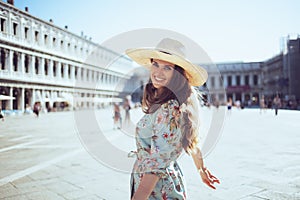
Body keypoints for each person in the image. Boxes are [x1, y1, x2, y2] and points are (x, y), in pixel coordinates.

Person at [126, 38, 220, 199]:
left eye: (167, 68)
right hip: (164, 181)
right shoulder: (169, 101)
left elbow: (156, 165)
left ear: (177, 74)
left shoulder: (169, 109)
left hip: (156, 188)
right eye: (155, 64)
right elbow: (190, 139)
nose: (158, 72)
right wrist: (201, 169)